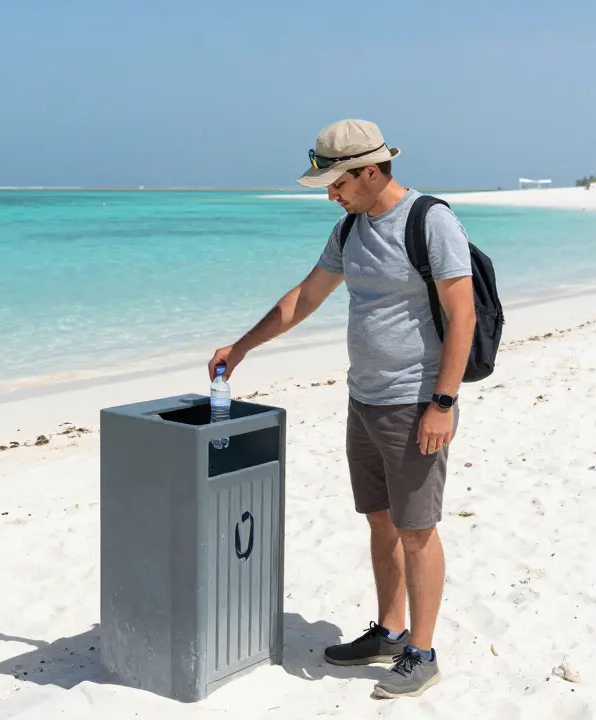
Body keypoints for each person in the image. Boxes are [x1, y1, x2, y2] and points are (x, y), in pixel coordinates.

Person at [208, 119, 476, 699]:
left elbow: (464, 315)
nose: (331, 193)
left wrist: (443, 403)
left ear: (371, 171)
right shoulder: (350, 228)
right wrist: (242, 346)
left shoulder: (432, 222)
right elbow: (304, 297)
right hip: (365, 400)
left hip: (415, 402)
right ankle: (389, 630)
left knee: (417, 530)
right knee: (380, 519)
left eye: (337, 183)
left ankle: (422, 652)